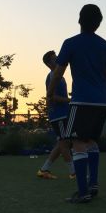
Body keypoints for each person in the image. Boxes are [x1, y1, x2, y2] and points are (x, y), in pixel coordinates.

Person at [47, 4, 106, 204]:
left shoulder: (71, 43)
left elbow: (58, 72)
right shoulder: (105, 45)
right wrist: (100, 92)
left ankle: (83, 192)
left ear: (79, 20)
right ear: (99, 23)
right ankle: (93, 185)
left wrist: (49, 93)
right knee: (91, 141)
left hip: (81, 101)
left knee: (77, 143)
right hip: (101, 101)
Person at [36, 50, 75, 180]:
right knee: (65, 143)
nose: (58, 59)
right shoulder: (52, 76)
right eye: (54, 58)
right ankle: (73, 173)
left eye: (57, 57)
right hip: (58, 115)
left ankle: (44, 170)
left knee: (61, 143)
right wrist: (69, 100)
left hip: (62, 114)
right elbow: (51, 98)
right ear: (48, 63)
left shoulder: (60, 75)